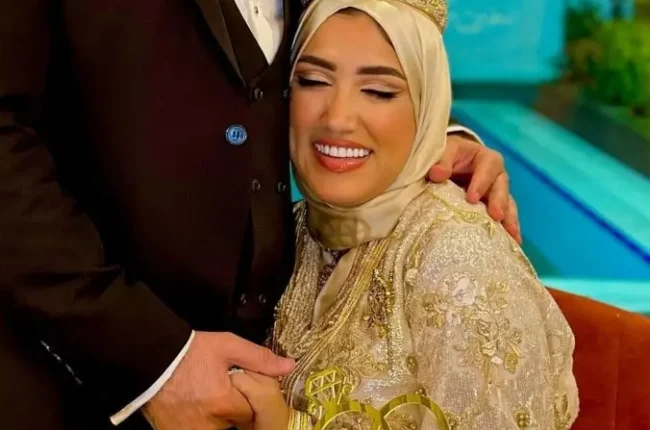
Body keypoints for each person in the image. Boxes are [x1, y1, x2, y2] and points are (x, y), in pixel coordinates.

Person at [0, 1, 520, 430]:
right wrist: (154, 363)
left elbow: (346, 41)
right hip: (45, 391)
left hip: (247, 393)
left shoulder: (454, 257)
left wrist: (425, 140)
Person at [230, 0, 579, 429]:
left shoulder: (456, 259)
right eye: (313, 81)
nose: (337, 119)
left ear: (428, 104)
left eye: (379, 91)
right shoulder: (297, 229)